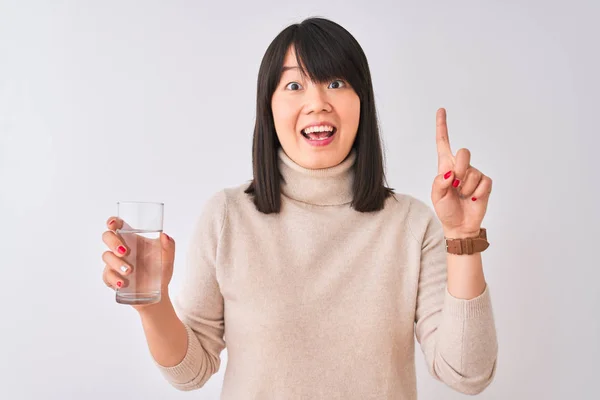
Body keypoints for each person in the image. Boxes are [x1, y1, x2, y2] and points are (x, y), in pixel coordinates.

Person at [101, 17, 497, 399]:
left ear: (362, 101)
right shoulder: (227, 217)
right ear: (269, 108)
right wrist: (152, 304)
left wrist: (463, 239)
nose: (317, 103)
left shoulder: (411, 225)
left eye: (336, 82)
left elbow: (467, 373)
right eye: (294, 85)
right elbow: (190, 371)